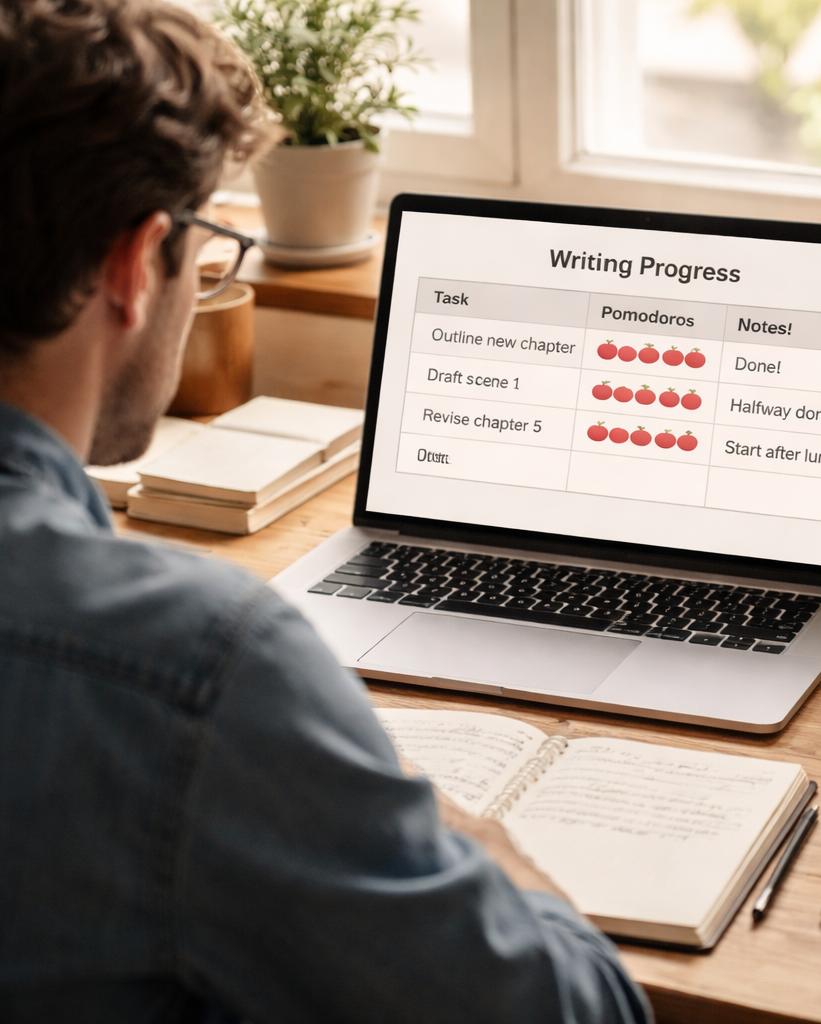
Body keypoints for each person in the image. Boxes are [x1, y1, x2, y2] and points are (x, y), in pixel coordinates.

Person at [0, 2, 652, 1021]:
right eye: (207, 246)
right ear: (136, 265)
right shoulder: (196, 666)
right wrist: (471, 840)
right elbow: (580, 1013)